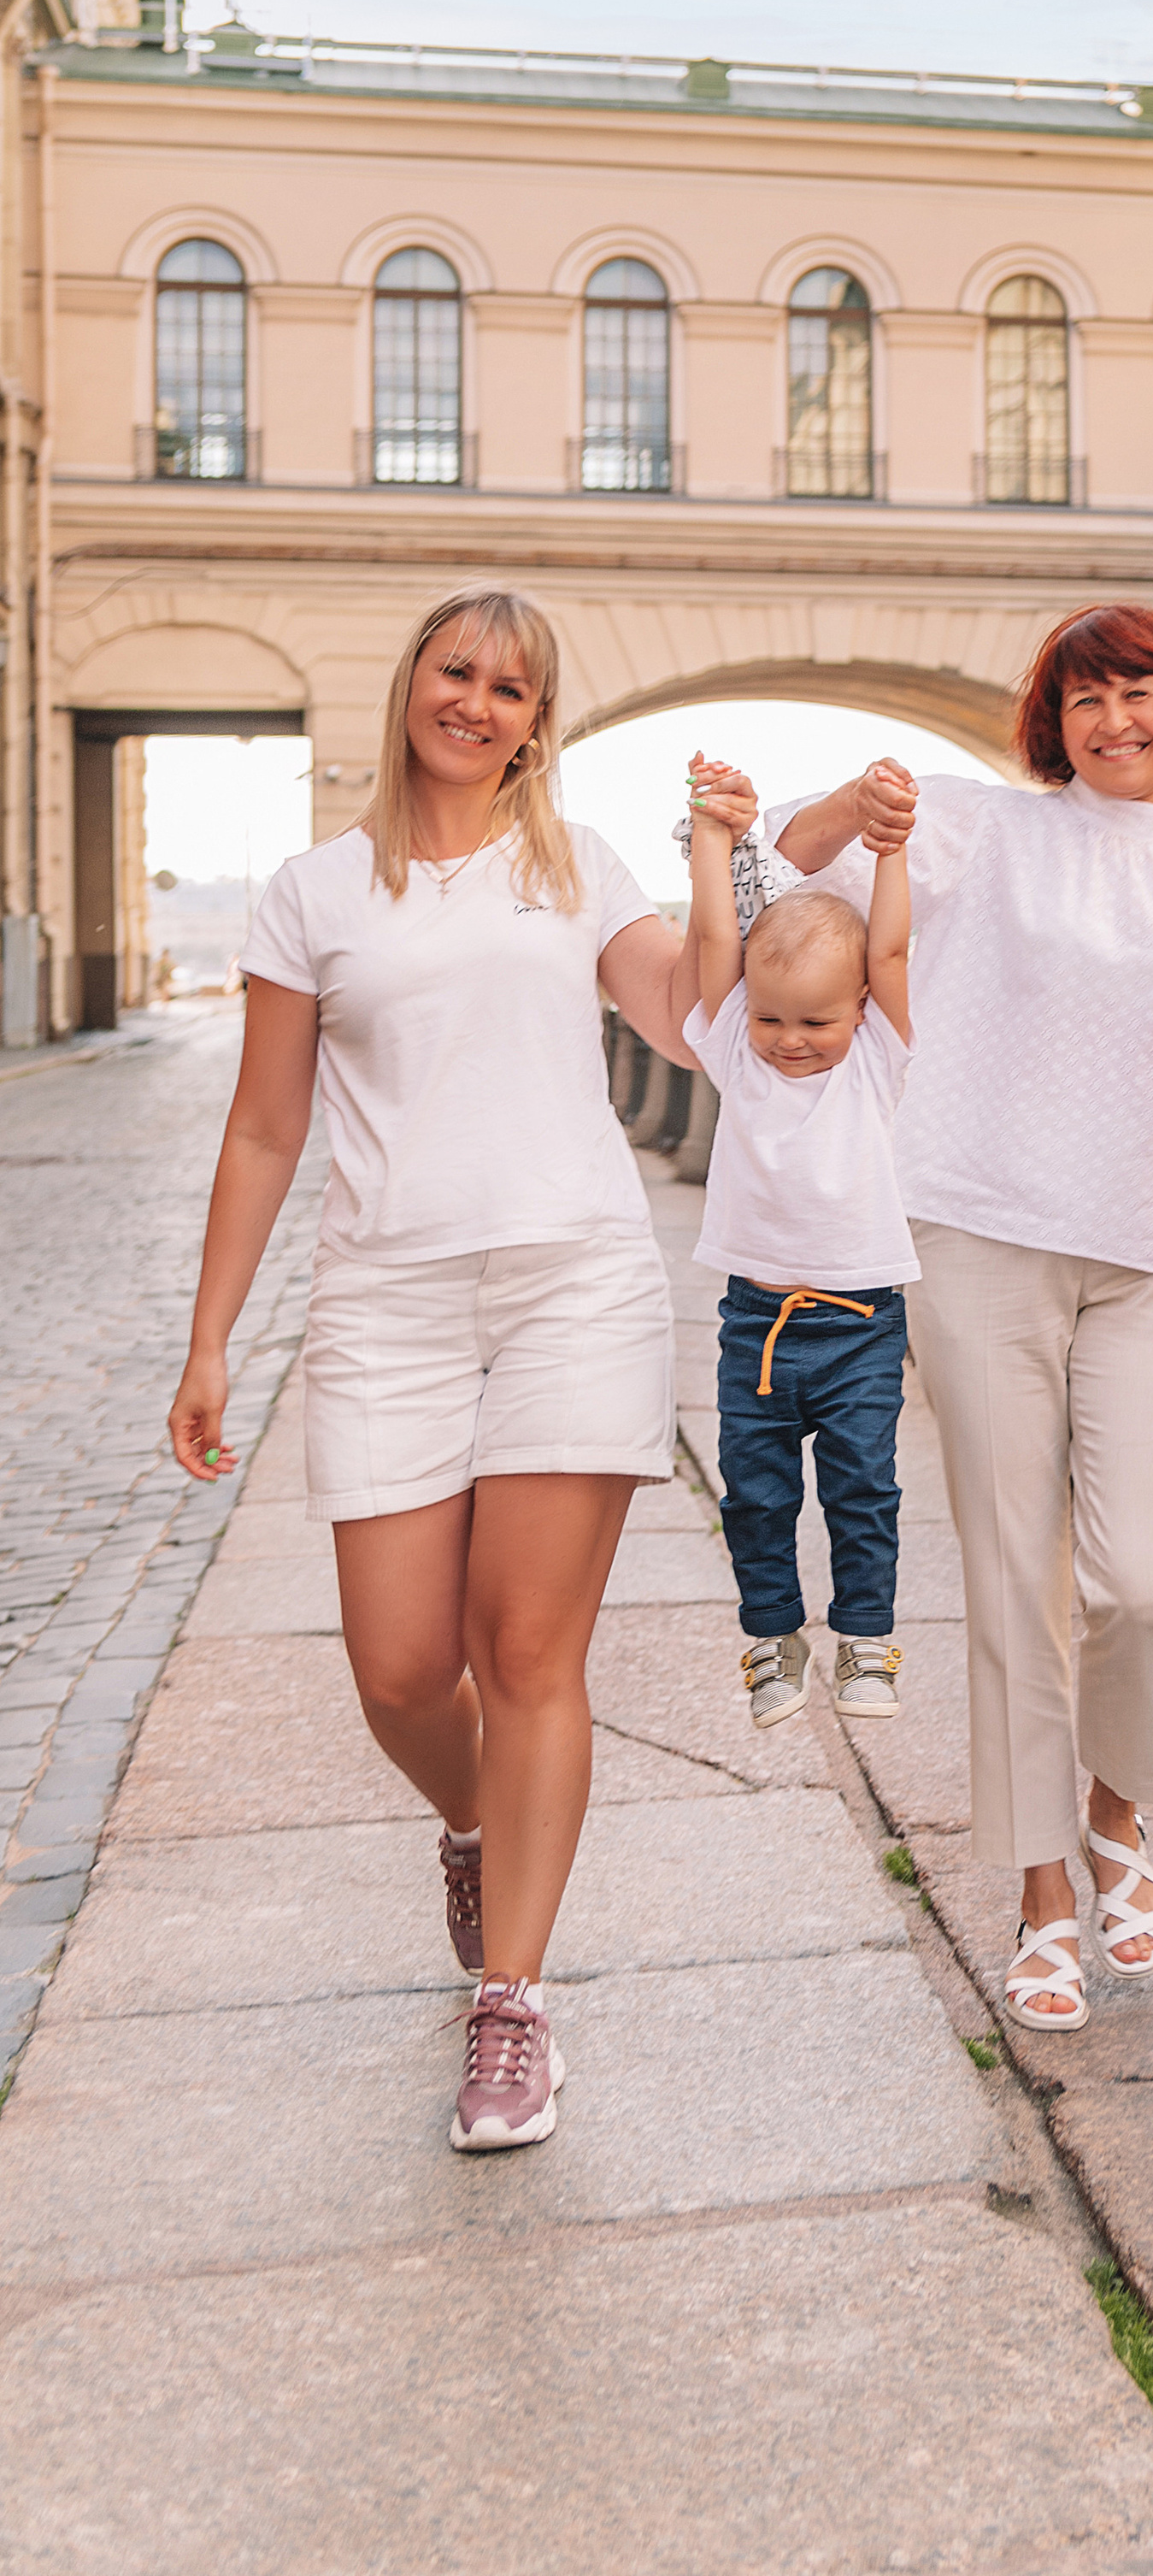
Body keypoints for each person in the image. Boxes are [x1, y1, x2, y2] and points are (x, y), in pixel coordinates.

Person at [166, 585, 719, 2154]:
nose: (477, 702)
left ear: (540, 720)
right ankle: (473, 1820)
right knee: (405, 1669)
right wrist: (210, 1337)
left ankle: (515, 2009)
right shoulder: (312, 892)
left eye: (511, 687)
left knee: (527, 1646)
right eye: (457, 671)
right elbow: (269, 1123)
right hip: (388, 1302)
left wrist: (728, 860)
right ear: (415, 682)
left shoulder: (578, 866)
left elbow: (688, 1022)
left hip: (572, 1286)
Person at [773, 606, 1153, 2032]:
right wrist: (851, 799)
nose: (1110, 721)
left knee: (1138, 1578)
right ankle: (1040, 1893)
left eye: (1137, 694)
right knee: (1015, 1580)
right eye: (1083, 698)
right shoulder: (974, 830)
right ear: (1051, 720)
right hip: (978, 1237)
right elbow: (788, 868)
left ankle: (1118, 1817)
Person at [681, 751, 917, 1729]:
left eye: (816, 1018)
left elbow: (893, 952)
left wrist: (889, 850)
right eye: (772, 1016)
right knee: (756, 1493)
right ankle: (772, 1639)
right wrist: (709, 834)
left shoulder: (875, 1061)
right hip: (759, 1320)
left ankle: (866, 1641)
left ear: (858, 1008)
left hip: (862, 1317)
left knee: (863, 1489)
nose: (789, 1038)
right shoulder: (736, 1047)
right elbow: (710, 936)